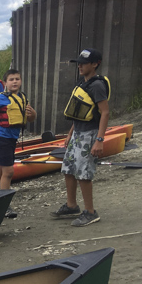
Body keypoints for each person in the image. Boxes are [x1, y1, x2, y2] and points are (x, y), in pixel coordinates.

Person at [50, 48, 110, 227]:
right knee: (68, 169)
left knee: (84, 173)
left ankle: (90, 212)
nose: (80, 66)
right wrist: (70, 134)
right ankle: (71, 205)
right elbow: (80, 111)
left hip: (90, 134)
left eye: (84, 63)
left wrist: (99, 140)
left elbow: (105, 113)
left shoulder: (97, 86)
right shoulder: (82, 83)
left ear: (95, 64)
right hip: (77, 133)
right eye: (79, 63)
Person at [0, 69, 37, 198]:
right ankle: (3, 201)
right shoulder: (2, 97)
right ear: (5, 83)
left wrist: (33, 113)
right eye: (11, 79)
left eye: (17, 79)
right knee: (8, 172)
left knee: (0, 170)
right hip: (1, 139)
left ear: (21, 81)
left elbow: (30, 119)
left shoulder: (22, 98)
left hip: (11, 140)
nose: (14, 81)